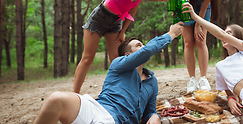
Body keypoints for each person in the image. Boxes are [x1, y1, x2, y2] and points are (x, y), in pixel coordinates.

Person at [33, 22, 183, 124]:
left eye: (143, 45)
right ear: (127, 55)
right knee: (56, 99)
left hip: (114, 121)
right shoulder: (118, 64)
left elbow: (149, 112)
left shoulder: (152, 82)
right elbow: (147, 51)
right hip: (96, 108)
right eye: (139, 45)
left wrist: (155, 116)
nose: (143, 47)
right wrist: (170, 34)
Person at [74, 0, 172, 93]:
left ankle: (119, 91)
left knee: (117, 60)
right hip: (100, 18)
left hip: (116, 22)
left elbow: (133, 9)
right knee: (88, 58)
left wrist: (123, 31)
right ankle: (75, 94)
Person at [181, 0, 220, 93]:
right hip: (186, 6)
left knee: (200, 40)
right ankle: (192, 79)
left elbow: (203, 8)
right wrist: (184, 5)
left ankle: (203, 78)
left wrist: (198, 24)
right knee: (188, 42)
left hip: (203, 9)